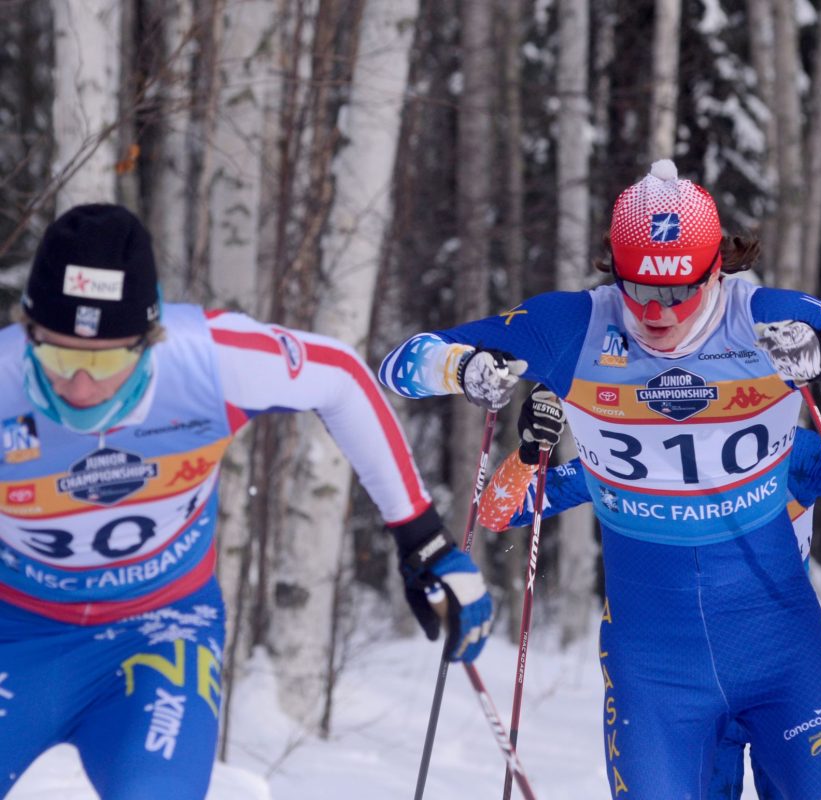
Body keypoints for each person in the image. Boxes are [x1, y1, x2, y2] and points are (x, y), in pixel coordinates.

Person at [378, 159, 821, 799]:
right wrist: (459, 367)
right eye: (641, 290)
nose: (660, 312)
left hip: (783, 658)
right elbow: (399, 367)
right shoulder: (571, 328)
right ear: (615, 269)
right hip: (655, 673)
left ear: (717, 267)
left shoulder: (768, 320)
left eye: (682, 291)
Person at [0, 204, 493, 798]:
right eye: (57, 356)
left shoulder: (206, 359)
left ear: (150, 339)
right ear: (27, 333)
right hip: (17, 634)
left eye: (106, 360)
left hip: (159, 632)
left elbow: (340, 377)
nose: (81, 386)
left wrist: (423, 540)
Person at [479, 383, 821, 800]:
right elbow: (499, 512)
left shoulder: (790, 452)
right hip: (678, 677)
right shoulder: (638, 457)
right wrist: (528, 453)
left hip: (779, 666)